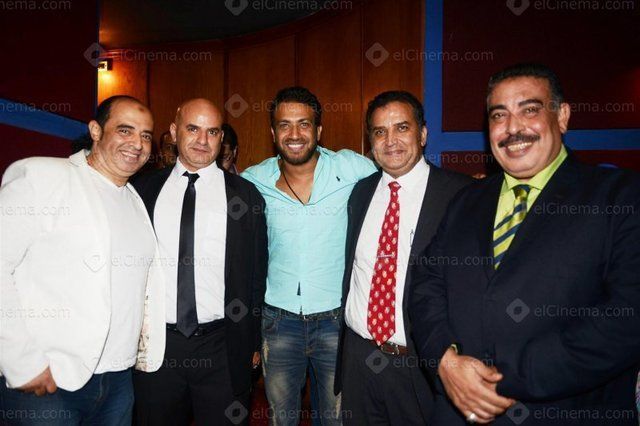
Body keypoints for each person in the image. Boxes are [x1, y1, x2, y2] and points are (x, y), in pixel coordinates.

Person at [409, 63, 640, 425]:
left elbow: (627, 318)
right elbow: (426, 285)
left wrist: (497, 379)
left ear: (562, 116)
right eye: (498, 115)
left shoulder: (620, 197)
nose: (513, 128)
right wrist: (445, 360)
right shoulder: (467, 200)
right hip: (456, 411)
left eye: (529, 110)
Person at [0, 95, 166, 425]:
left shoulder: (134, 199)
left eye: (146, 135)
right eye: (125, 130)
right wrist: (22, 361)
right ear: (95, 130)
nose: (137, 143)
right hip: (50, 380)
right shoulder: (42, 176)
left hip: (119, 381)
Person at [241, 87, 377, 425]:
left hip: (336, 319)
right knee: (281, 417)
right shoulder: (254, 180)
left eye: (304, 124)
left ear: (318, 130)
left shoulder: (352, 167)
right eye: (284, 125)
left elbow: (397, 182)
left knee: (335, 418)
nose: (295, 134)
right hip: (278, 321)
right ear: (273, 133)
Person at [335, 91, 471, 425]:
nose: (390, 140)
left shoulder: (462, 195)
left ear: (422, 134)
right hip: (359, 358)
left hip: (420, 364)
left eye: (402, 128)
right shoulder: (361, 192)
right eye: (380, 131)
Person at [131, 98, 267, 426]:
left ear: (222, 138)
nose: (203, 140)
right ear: (174, 131)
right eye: (193, 129)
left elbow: (256, 273)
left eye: (213, 132)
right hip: (158, 346)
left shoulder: (245, 196)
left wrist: (252, 340)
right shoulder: (143, 190)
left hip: (222, 345)